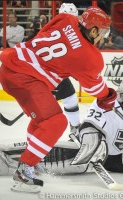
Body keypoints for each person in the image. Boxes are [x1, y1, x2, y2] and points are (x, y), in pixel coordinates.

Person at [0, 6, 117, 193]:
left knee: (42, 120)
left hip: (11, 67)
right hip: (25, 78)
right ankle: (24, 171)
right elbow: (94, 88)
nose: (103, 37)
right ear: (93, 30)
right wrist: (108, 96)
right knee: (56, 122)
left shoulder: (65, 19)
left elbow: (42, 34)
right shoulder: (90, 57)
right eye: (103, 32)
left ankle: (32, 162)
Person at [25, 3, 82, 133]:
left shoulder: (51, 28)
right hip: (46, 74)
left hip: (50, 74)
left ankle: (75, 129)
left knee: (68, 97)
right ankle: (74, 129)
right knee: (50, 106)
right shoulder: (63, 31)